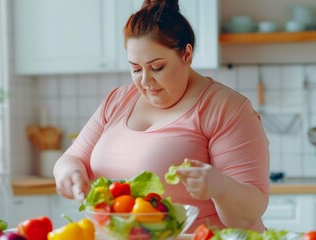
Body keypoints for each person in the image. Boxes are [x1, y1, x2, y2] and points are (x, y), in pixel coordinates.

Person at [54, 0, 270, 232]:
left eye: (157, 67)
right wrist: (70, 172)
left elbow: (249, 214)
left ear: (186, 54)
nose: (145, 82)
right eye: (136, 69)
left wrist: (221, 187)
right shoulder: (117, 101)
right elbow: (71, 158)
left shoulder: (225, 108)